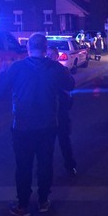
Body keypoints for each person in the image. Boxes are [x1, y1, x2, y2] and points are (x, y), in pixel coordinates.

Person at [0, 33, 75, 216]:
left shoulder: (16, 68)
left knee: (23, 164)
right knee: (45, 162)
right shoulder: (55, 68)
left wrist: (2, 73)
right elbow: (70, 85)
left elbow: (0, 91)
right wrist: (64, 71)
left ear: (28, 48)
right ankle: (43, 201)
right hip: (48, 124)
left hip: (22, 125)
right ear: (46, 48)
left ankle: (22, 205)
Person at [47, 45, 77, 176]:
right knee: (47, 144)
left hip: (61, 112)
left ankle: (70, 165)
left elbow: (70, 85)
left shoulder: (61, 70)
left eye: (52, 55)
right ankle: (44, 170)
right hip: (47, 113)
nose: (50, 57)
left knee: (64, 140)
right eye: (47, 54)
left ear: (57, 56)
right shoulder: (43, 71)